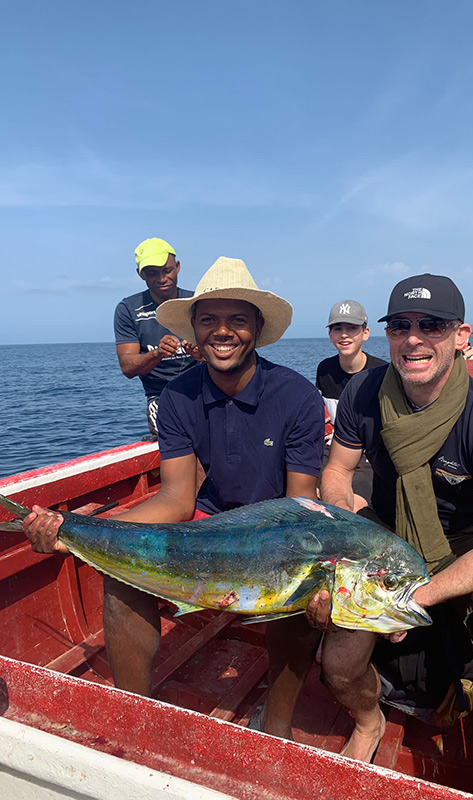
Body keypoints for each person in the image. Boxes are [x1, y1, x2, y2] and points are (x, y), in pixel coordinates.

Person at [23, 256, 325, 740]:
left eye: (237, 320)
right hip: (206, 522)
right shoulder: (178, 395)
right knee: (122, 576)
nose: (223, 332)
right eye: (209, 320)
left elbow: (300, 506)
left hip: (275, 527)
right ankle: (135, 718)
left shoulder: (297, 397)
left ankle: (278, 721)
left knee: (302, 594)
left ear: (257, 328)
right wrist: (84, 534)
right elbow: (177, 498)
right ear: (194, 328)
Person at [309, 274, 473, 800]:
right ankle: (368, 722)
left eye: (432, 326)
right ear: (388, 335)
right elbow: (337, 474)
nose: (414, 338)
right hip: (386, 534)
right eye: (401, 326)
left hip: (467, 539)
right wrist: (341, 547)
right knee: (339, 662)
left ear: (461, 336)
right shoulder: (362, 392)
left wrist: (412, 599)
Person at [114, 237, 197, 437]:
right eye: (152, 273)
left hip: (207, 389)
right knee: (178, 438)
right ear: (141, 275)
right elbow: (128, 368)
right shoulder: (128, 309)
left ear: (177, 267)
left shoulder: (197, 302)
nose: (161, 279)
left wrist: (202, 353)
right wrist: (158, 354)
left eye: (167, 270)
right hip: (162, 398)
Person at [316, 300, 386, 509]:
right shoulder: (325, 370)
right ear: (330, 335)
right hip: (335, 448)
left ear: (365, 333)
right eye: (338, 329)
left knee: (353, 505)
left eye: (352, 328)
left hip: (369, 454)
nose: (344, 335)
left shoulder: (381, 373)